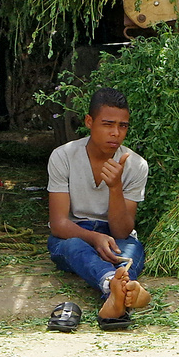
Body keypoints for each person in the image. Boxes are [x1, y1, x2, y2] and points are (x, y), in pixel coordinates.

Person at [45, 87, 151, 331]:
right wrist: (95, 237)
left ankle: (113, 296)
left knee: (129, 251)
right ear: (89, 122)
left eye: (123, 126)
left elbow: (123, 231)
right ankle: (120, 291)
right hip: (74, 233)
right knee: (73, 247)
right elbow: (59, 223)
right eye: (107, 124)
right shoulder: (64, 156)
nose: (115, 133)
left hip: (116, 236)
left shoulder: (135, 165)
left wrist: (115, 187)